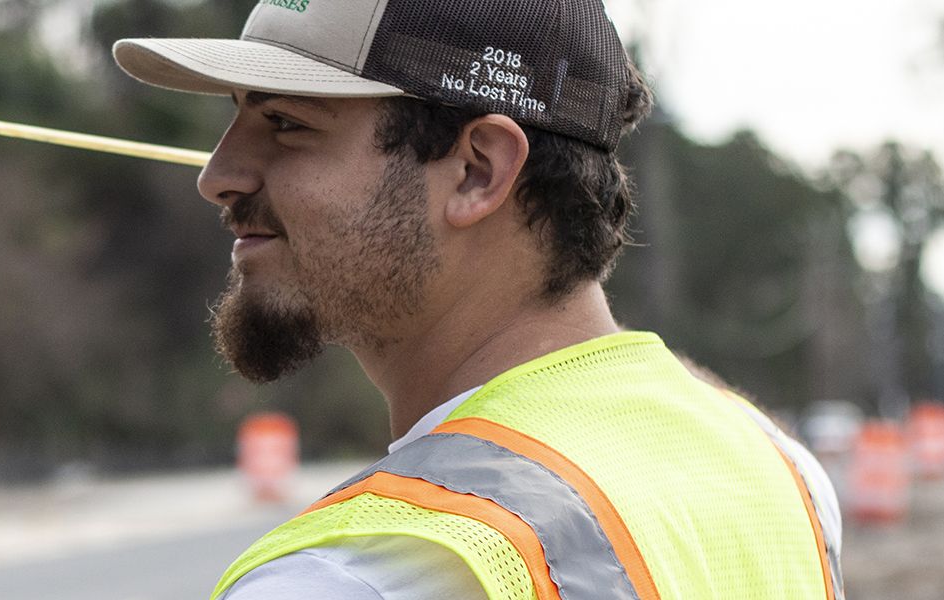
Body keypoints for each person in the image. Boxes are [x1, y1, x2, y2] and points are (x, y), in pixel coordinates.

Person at [111, 1, 843, 598]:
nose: (219, 174)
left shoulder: (343, 581)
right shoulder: (781, 470)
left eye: (288, 124)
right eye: (236, 116)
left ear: (477, 171)